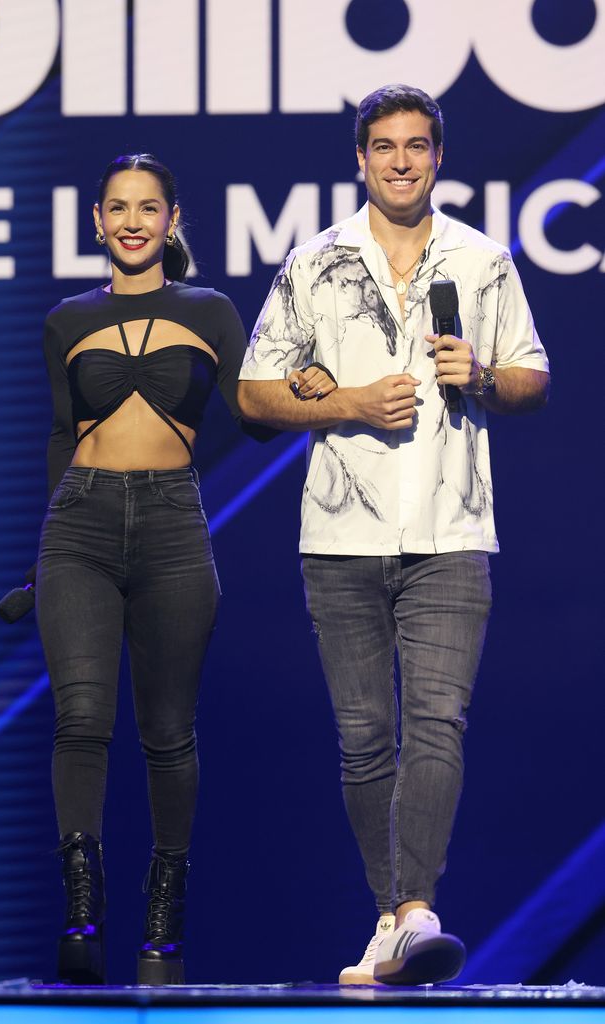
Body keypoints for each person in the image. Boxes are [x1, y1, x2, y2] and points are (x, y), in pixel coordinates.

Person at [238, 84, 550, 986]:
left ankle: (412, 912)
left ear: (439, 157)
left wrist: (482, 373)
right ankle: (395, 923)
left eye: (418, 145)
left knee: (437, 722)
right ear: (362, 158)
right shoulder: (313, 263)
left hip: (452, 528)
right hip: (340, 535)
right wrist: (348, 404)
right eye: (385, 146)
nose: (402, 161)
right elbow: (256, 395)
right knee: (365, 737)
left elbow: (533, 376)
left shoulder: (482, 262)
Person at [36, 152, 336, 986]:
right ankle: (82, 903)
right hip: (79, 527)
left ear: (171, 221)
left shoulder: (210, 309)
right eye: (118, 207)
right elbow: (62, 439)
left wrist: (304, 385)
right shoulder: (66, 319)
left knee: (167, 732)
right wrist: (44, 552)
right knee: (81, 717)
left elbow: (258, 410)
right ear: (98, 221)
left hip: (172, 525)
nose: (133, 221)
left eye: (149, 207)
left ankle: (164, 910)